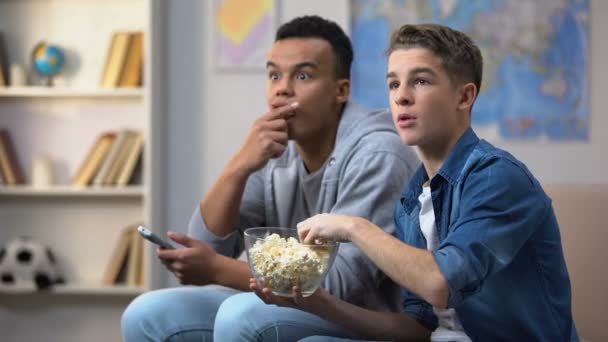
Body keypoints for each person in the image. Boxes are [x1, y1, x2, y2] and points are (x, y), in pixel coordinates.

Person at [252, 23, 579, 341]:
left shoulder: (498, 178)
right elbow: (419, 328)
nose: (401, 98)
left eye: (420, 81)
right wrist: (321, 303)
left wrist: (354, 227)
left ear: (464, 97)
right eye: (394, 84)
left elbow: (440, 283)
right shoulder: (413, 198)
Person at [121, 15, 420, 341]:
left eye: (302, 75)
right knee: (147, 313)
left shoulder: (379, 154)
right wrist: (239, 166)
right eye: (274, 75)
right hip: (294, 302)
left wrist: (219, 269)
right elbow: (207, 248)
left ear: (341, 90)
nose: (282, 89)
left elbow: (339, 285)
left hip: (364, 315)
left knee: (242, 316)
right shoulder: (274, 148)